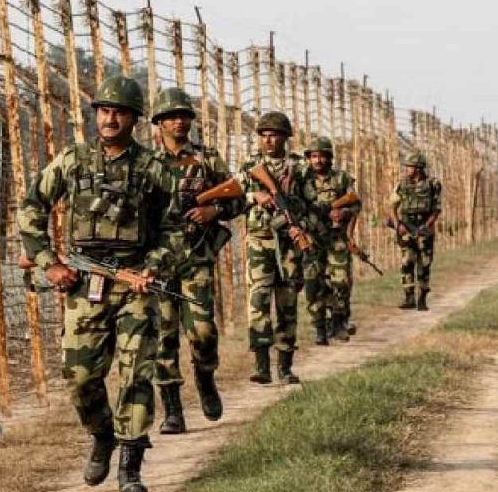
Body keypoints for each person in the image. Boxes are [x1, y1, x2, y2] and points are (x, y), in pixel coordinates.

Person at [18, 75, 178, 492]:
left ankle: (131, 468)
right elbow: (33, 206)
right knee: (81, 377)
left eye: (119, 112)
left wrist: (154, 266)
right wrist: (49, 263)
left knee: (136, 375)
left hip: (135, 286)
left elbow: (174, 229)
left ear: (134, 119)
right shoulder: (73, 161)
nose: (110, 118)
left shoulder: (153, 169)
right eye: (104, 110)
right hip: (85, 283)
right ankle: (102, 435)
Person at [150, 87, 241, 434]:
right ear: (159, 122)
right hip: (158, 262)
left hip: (195, 256)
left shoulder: (207, 158)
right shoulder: (146, 163)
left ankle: (205, 376)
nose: (178, 121)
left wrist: (213, 209)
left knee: (202, 331)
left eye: (184, 115)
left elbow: (238, 198)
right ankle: (172, 409)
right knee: (163, 335)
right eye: (171, 116)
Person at [236, 111, 319, 384]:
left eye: (274, 135)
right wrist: (254, 195)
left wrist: (300, 225)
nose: (269, 140)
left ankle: (284, 366)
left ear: (285, 138)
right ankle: (261, 365)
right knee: (258, 302)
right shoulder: (249, 166)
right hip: (260, 241)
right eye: (264, 135)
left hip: (289, 245)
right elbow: (232, 200)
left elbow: (314, 207)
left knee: (287, 304)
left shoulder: (301, 168)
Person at [297, 136, 362, 344]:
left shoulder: (341, 178)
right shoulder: (301, 179)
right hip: (311, 239)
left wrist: (343, 213)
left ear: (329, 158)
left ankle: (338, 321)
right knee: (313, 284)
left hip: (336, 238)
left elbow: (356, 205)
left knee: (341, 281)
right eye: (314, 156)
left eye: (322, 156)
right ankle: (319, 327)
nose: (318, 160)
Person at [388, 152, 442, 311]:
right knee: (406, 263)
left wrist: (428, 225)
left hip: (425, 228)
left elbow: (436, 208)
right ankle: (409, 297)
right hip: (407, 228)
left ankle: (422, 298)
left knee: (424, 264)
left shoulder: (433, 184)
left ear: (418, 168)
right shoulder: (402, 184)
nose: (406, 169)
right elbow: (392, 207)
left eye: (409, 166)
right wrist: (398, 225)